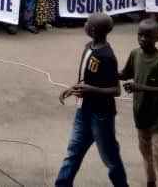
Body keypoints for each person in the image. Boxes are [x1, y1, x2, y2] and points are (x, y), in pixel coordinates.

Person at [55, 12, 127, 187]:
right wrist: (74, 88)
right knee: (73, 151)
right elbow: (86, 78)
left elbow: (116, 90)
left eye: (87, 22)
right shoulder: (88, 46)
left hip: (101, 115)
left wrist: (91, 90)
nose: (85, 23)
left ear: (93, 30)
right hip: (84, 110)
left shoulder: (107, 56)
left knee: (110, 157)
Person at [119, 19, 158, 187]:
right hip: (141, 114)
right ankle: (151, 181)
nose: (143, 39)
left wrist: (140, 87)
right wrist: (104, 72)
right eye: (140, 35)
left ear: (157, 38)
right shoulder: (135, 54)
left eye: (148, 36)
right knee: (145, 151)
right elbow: (124, 73)